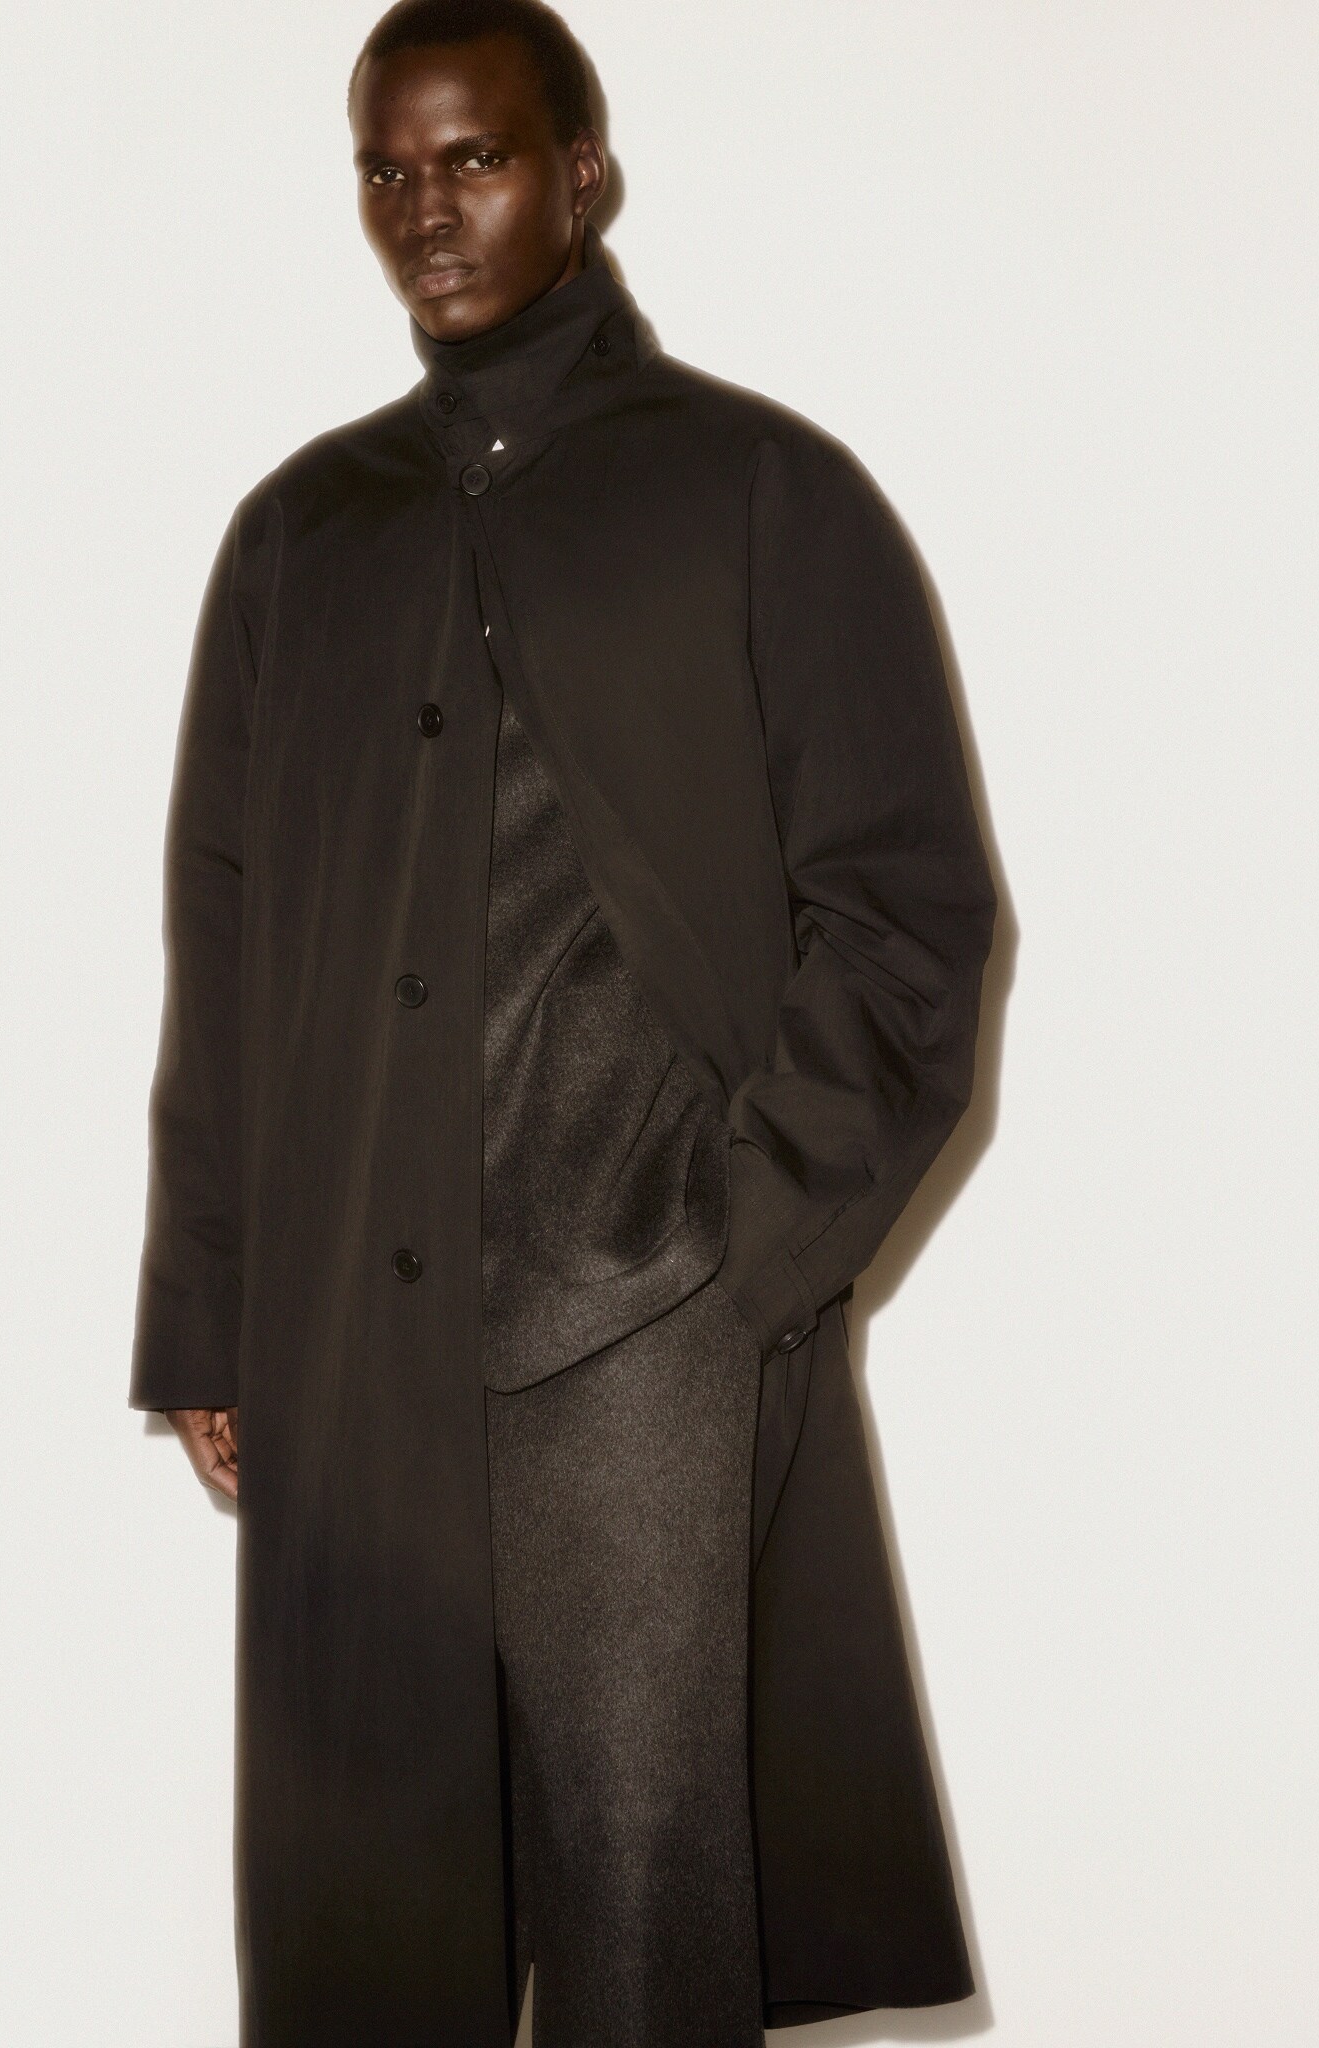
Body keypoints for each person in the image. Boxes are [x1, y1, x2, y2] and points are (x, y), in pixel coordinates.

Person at [130, 2, 997, 2042]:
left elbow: (907, 916)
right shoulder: (297, 538)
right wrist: (210, 1313)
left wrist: (745, 1259)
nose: (424, 209)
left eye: (476, 158)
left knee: (640, 1918)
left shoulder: (764, 494)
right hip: (353, 1351)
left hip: (640, 1335)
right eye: (386, 168)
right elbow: (224, 948)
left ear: (583, 174)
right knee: (369, 1917)